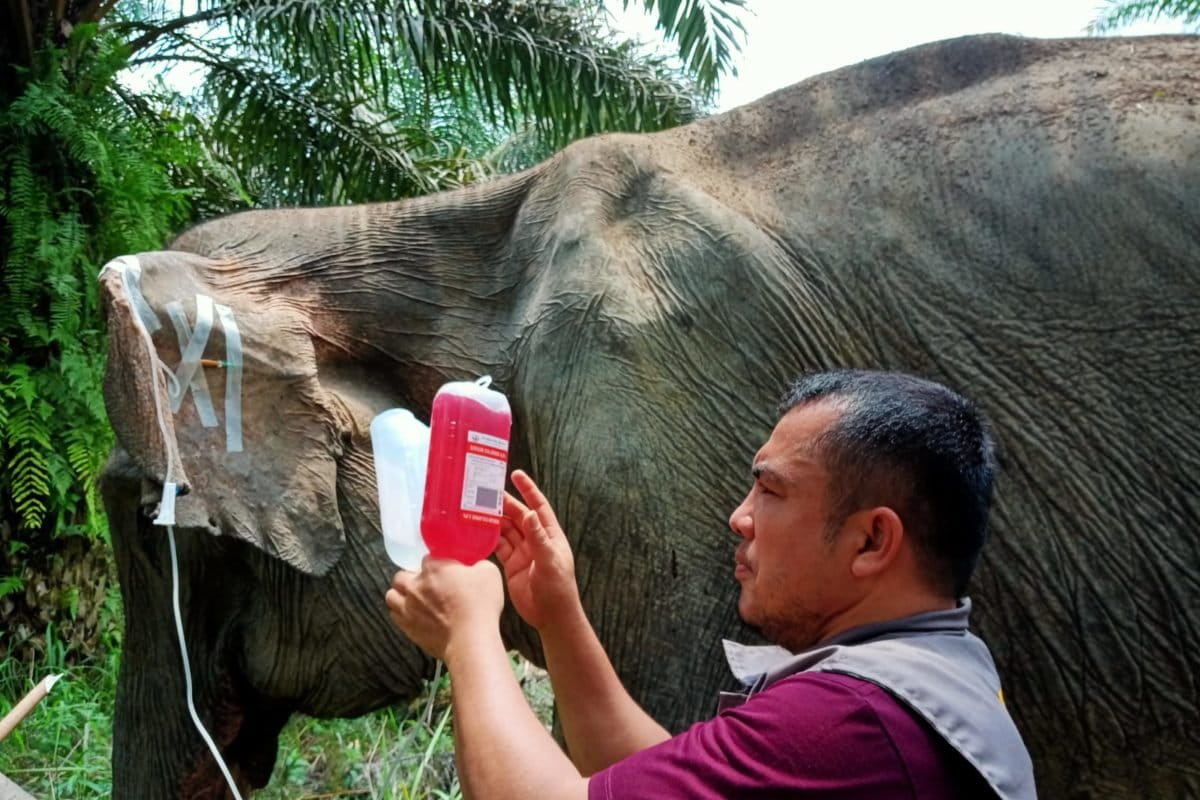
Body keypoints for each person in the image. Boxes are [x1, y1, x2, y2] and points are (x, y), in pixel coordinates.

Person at [385, 369, 1037, 800]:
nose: (740, 517)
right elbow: (642, 778)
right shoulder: (940, 672)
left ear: (871, 540)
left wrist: (469, 638)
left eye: (771, 490)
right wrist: (558, 615)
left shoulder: (850, 721)